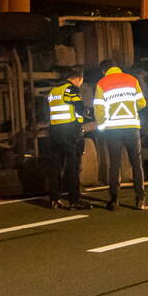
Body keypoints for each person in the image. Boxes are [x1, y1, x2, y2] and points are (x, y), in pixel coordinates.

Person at [94, 59, 148, 210]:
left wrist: (102, 125)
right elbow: (142, 103)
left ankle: (114, 200)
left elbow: (99, 109)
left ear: (103, 71)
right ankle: (140, 200)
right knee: (136, 164)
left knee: (115, 165)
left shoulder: (102, 83)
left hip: (113, 130)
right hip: (132, 127)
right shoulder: (132, 80)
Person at [46, 66, 92, 210]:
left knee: (55, 166)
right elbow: (80, 108)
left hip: (54, 132)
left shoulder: (53, 91)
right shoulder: (70, 89)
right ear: (78, 78)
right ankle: (74, 200)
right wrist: (88, 113)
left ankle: (54, 199)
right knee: (73, 166)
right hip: (70, 131)